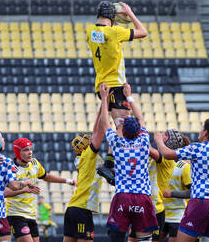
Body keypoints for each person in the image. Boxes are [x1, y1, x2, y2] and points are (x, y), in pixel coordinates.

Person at [100, 81, 158, 242]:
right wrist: (129, 96)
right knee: (144, 239)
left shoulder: (117, 144)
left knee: (116, 237)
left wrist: (105, 98)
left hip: (123, 196)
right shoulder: (144, 140)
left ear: (123, 131)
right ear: (139, 131)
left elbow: (105, 123)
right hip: (142, 196)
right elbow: (140, 118)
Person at [154, 119, 209, 242]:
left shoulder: (198, 148)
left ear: (205, 133)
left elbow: (167, 154)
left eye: (202, 128)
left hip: (202, 201)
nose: (200, 130)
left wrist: (158, 140)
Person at [5, 138, 76, 242]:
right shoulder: (11, 168)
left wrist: (67, 181)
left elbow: (46, 176)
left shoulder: (34, 163)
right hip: (15, 214)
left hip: (32, 214)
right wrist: (24, 189)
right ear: (17, 152)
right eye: (25, 150)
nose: (30, 152)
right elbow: (4, 193)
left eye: (31, 149)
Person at [86, 1, 147, 121]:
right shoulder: (116, 32)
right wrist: (130, 13)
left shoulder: (90, 31)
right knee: (122, 128)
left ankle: (93, 141)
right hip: (116, 85)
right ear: (113, 17)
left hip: (101, 85)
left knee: (103, 125)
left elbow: (106, 33)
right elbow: (143, 32)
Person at [63, 83, 108, 242]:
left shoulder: (82, 158)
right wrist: (105, 100)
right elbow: (100, 130)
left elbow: (95, 129)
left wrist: (102, 106)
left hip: (72, 208)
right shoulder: (89, 156)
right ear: (86, 146)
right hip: (82, 209)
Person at [157, 130, 192, 242]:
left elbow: (192, 192)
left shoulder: (184, 167)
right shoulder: (161, 163)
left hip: (177, 217)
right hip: (161, 213)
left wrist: (171, 194)